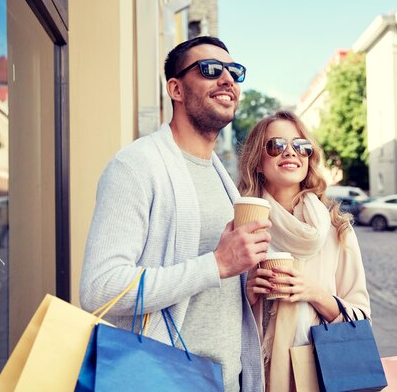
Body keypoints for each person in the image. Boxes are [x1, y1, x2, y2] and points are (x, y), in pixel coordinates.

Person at [80, 36, 270, 392]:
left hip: (227, 381)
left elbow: (212, 288)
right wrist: (216, 265)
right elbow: (99, 289)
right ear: (176, 89)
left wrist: (246, 287)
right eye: (211, 70)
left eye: (234, 72)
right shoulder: (135, 166)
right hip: (163, 380)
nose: (227, 79)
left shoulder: (220, 177)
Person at [238, 111, 371, 392]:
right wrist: (248, 296)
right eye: (276, 146)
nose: (291, 153)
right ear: (258, 162)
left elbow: (361, 316)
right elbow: (216, 315)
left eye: (301, 146)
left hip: (320, 372)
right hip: (254, 374)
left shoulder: (336, 227)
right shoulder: (242, 223)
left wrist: (314, 292)